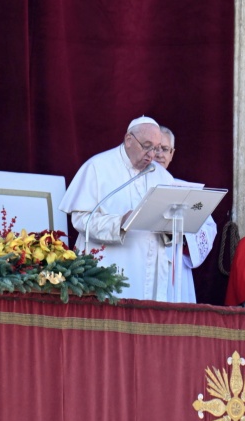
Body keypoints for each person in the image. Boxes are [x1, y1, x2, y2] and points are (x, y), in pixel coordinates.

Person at [59, 115, 176, 301]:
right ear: (129, 140)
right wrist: (119, 223)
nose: (152, 155)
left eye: (156, 148)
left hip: (148, 271)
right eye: (147, 146)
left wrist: (172, 226)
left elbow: (170, 223)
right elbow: (81, 219)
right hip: (109, 266)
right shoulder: (98, 167)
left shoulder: (162, 176)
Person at [154, 126, 217, 303]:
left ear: (172, 154)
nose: (160, 154)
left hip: (176, 267)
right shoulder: (132, 188)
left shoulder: (186, 190)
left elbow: (208, 228)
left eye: (165, 149)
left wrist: (184, 237)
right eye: (155, 148)